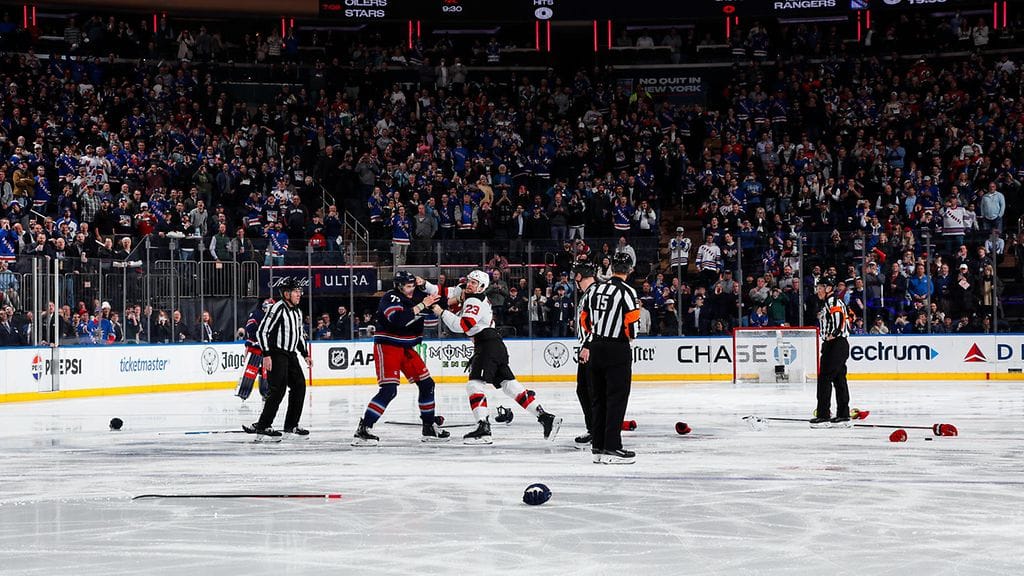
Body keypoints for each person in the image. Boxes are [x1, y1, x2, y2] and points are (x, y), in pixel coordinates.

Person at [429, 270, 562, 445]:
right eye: (469, 281)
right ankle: (546, 418)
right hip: (494, 344)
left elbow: (463, 326)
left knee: (474, 384)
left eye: (474, 283)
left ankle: (483, 429)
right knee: (509, 386)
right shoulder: (477, 298)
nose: (469, 284)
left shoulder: (474, 300)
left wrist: (441, 312)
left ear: (482, 286)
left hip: (487, 345)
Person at [352, 271, 449, 445]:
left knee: (427, 384)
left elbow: (443, 301)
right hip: (388, 345)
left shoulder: (418, 293)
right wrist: (422, 305)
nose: (412, 290)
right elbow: (398, 319)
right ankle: (364, 428)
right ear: (398, 286)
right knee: (389, 390)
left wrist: (425, 285)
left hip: (406, 346)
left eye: (413, 286)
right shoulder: (390, 298)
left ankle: (428, 426)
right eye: (408, 286)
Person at [586, 252, 640, 464]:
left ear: (611, 268)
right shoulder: (627, 291)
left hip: (596, 346)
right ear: (630, 270)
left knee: (598, 398)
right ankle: (612, 446)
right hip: (617, 348)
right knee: (616, 398)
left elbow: (584, 319)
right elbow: (632, 325)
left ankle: (598, 446)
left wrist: (597, 335)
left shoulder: (595, 289)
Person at [243, 278, 311, 440]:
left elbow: (299, 336)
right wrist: (266, 354)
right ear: (287, 294)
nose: (299, 294)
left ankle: (291, 425)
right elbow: (262, 332)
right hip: (276, 353)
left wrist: (305, 354)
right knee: (277, 389)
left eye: (299, 291)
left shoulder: (298, 312)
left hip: (291, 354)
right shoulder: (278, 308)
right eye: (296, 291)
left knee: (299, 386)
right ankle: (263, 425)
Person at [810, 278, 852, 428]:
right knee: (839, 379)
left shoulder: (833, 301)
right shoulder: (828, 303)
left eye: (820, 287)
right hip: (838, 344)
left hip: (835, 344)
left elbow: (839, 317)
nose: (818, 291)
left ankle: (823, 415)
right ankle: (843, 414)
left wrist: (833, 333)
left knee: (825, 378)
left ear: (828, 288)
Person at [572, 261, 598, 446]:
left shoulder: (595, 294)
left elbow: (599, 321)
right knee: (584, 390)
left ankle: (597, 430)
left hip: (593, 349)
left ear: (580, 276)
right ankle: (594, 429)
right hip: (587, 348)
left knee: (591, 391)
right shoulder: (588, 294)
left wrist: (588, 344)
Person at [235, 297, 274, 401]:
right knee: (250, 372)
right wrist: (258, 338)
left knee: (266, 372)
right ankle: (243, 393)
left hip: (267, 350)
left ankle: (266, 393)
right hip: (254, 348)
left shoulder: (274, 318)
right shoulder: (256, 314)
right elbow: (250, 328)